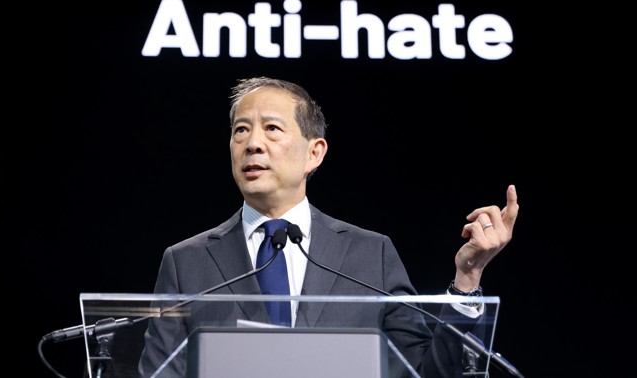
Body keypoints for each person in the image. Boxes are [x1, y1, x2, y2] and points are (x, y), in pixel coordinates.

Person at [138, 76, 520, 377]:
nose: (252, 143)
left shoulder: (371, 254)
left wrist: (467, 278)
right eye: (240, 130)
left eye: (271, 128)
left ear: (314, 153)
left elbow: (424, 374)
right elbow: (157, 374)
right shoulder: (185, 262)